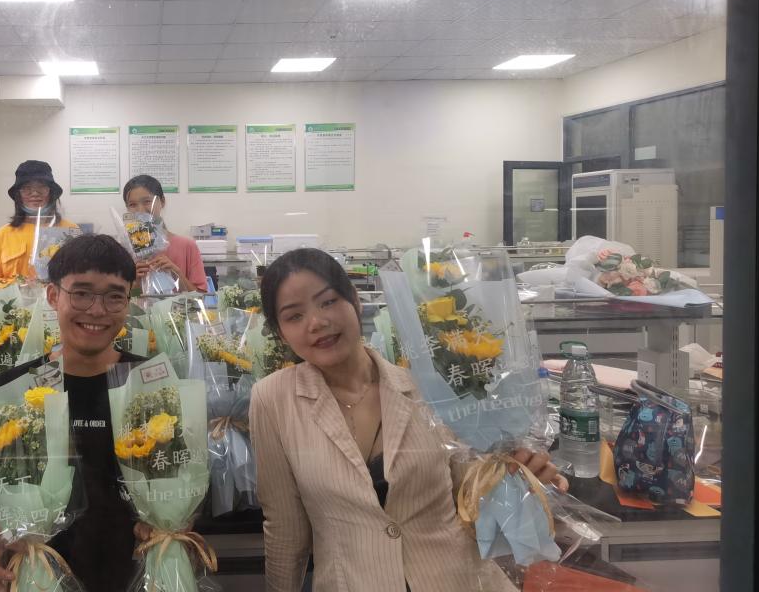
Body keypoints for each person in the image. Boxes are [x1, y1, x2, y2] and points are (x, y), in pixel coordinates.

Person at [249, 249, 566, 592]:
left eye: (327, 302)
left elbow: (472, 491)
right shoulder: (273, 400)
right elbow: (284, 527)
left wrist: (518, 478)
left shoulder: (431, 384)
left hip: (456, 581)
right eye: (294, 316)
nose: (316, 322)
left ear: (354, 300)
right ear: (280, 332)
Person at [0, 234, 145, 592]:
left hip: (134, 575)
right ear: (52, 296)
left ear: (128, 302)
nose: (97, 310)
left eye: (114, 296)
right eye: (81, 293)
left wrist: (174, 528)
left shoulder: (150, 383)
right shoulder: (9, 390)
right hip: (33, 574)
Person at [0, 160, 77, 285]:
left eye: (41, 187)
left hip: (59, 298)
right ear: (18, 195)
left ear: (51, 192)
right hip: (15, 298)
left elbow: (85, 273)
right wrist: (17, 285)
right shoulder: (4, 234)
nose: (35, 193)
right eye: (26, 188)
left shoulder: (70, 230)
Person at [122, 174, 208, 293]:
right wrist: (134, 283)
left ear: (162, 201)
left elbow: (201, 297)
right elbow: (117, 297)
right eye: (132, 204)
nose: (140, 210)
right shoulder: (123, 250)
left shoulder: (187, 246)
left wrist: (177, 274)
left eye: (147, 201)